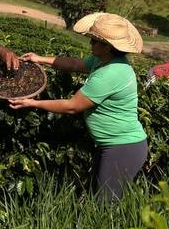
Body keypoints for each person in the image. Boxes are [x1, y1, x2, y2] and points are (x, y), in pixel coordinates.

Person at [9, 12, 147, 201]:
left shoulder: (112, 73)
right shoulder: (104, 61)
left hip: (123, 146)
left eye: (93, 41)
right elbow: (74, 64)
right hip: (113, 144)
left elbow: (73, 106)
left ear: (107, 47)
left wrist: (33, 103)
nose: (90, 44)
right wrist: (40, 58)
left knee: (105, 204)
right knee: (98, 197)